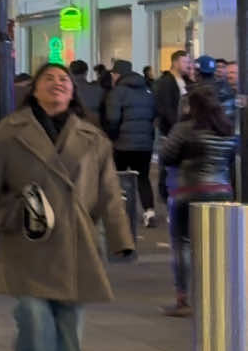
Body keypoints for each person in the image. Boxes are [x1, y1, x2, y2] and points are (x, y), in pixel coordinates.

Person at [0, 62, 134, 351]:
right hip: (27, 235)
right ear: (35, 89)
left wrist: (122, 239)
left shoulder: (92, 137)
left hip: (75, 237)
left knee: (70, 317)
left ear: (72, 91)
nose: (57, 84)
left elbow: (108, 190)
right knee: (31, 314)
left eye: (64, 80)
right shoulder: (9, 132)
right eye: (49, 79)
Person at [158, 81, 237, 316]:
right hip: (222, 190)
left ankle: (183, 300)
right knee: (217, 245)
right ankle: (219, 295)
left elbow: (167, 156)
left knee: (182, 243)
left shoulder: (184, 128)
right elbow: (230, 160)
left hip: (188, 191)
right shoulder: (226, 129)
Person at [102, 59, 157, 224]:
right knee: (143, 178)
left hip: (122, 144)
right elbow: (153, 115)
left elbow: (113, 119)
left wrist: (111, 137)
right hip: (144, 144)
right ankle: (149, 211)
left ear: (117, 74)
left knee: (119, 178)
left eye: (113, 73)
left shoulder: (117, 92)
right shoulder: (147, 90)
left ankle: (120, 214)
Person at [153, 49, 191, 215]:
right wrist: (176, 127)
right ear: (175, 62)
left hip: (184, 132)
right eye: (185, 62)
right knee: (167, 166)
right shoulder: (165, 82)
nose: (188, 65)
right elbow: (165, 108)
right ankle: (166, 197)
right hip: (169, 131)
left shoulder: (186, 81)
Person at [69, 60, 103, 125]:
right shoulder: (98, 90)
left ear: (70, 72)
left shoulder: (66, 91)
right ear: (86, 72)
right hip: (94, 127)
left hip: (72, 128)